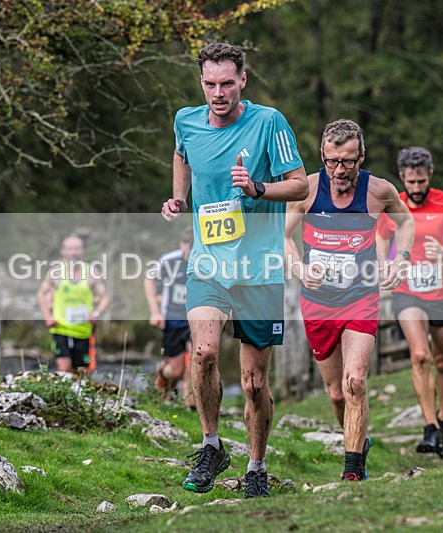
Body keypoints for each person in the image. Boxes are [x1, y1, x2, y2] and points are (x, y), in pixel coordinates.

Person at [161, 43, 308, 498]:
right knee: (202, 353)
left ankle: (257, 466)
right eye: (210, 84)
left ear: (243, 79)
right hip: (208, 263)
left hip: (258, 269)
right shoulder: (186, 119)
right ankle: (210, 446)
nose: (218, 93)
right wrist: (179, 197)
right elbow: (182, 154)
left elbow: (301, 184)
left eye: (227, 83)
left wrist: (259, 187)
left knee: (253, 382)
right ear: (200, 82)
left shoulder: (269, 123)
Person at [285, 119, 414, 481]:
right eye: (332, 161)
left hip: (360, 297)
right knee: (336, 394)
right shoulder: (307, 190)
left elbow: (406, 224)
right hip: (317, 301)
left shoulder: (379, 191)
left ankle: (353, 468)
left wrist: (400, 261)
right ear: (322, 157)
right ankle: (357, 439)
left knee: (354, 381)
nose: (339, 170)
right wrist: (298, 267)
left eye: (348, 161)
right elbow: (282, 237)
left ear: (362, 156)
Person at [376, 146, 443, 459]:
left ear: (429, 176)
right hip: (408, 291)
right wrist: (384, 265)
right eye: (411, 182)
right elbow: (382, 238)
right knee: (419, 355)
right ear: (403, 179)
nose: (417, 188)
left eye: (421, 182)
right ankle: (429, 425)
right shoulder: (396, 205)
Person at [37, 235, 110, 372]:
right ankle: (62, 391)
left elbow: (105, 297)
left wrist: (96, 313)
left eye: (76, 248)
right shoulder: (56, 272)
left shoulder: (92, 272)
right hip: (61, 328)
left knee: (81, 372)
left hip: (83, 330)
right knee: (63, 366)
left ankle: (77, 392)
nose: (73, 253)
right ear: (63, 251)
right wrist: (48, 316)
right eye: (70, 249)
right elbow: (41, 294)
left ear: (82, 251)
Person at [143, 227, 195, 408]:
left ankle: (191, 406)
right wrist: (155, 311)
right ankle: (163, 373)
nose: (192, 251)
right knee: (176, 369)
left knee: (195, 363)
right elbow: (149, 279)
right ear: (183, 245)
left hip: (195, 320)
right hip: (172, 318)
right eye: (190, 247)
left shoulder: (207, 260)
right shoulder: (170, 260)